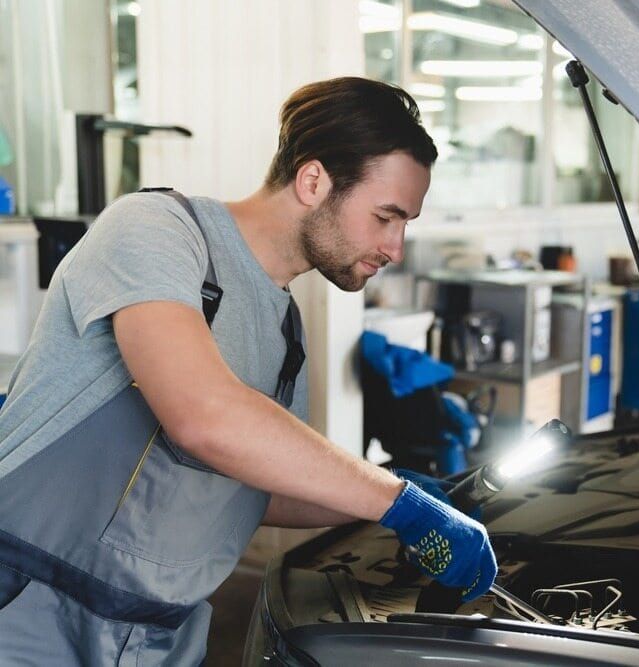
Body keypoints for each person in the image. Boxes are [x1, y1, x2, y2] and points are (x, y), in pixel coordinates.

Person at [0, 77, 496, 665]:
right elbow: (203, 416)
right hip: (32, 615)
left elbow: (258, 489)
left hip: (159, 637)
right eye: (387, 216)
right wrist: (395, 499)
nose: (396, 247)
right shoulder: (158, 231)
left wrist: (399, 493)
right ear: (314, 181)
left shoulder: (286, 331)